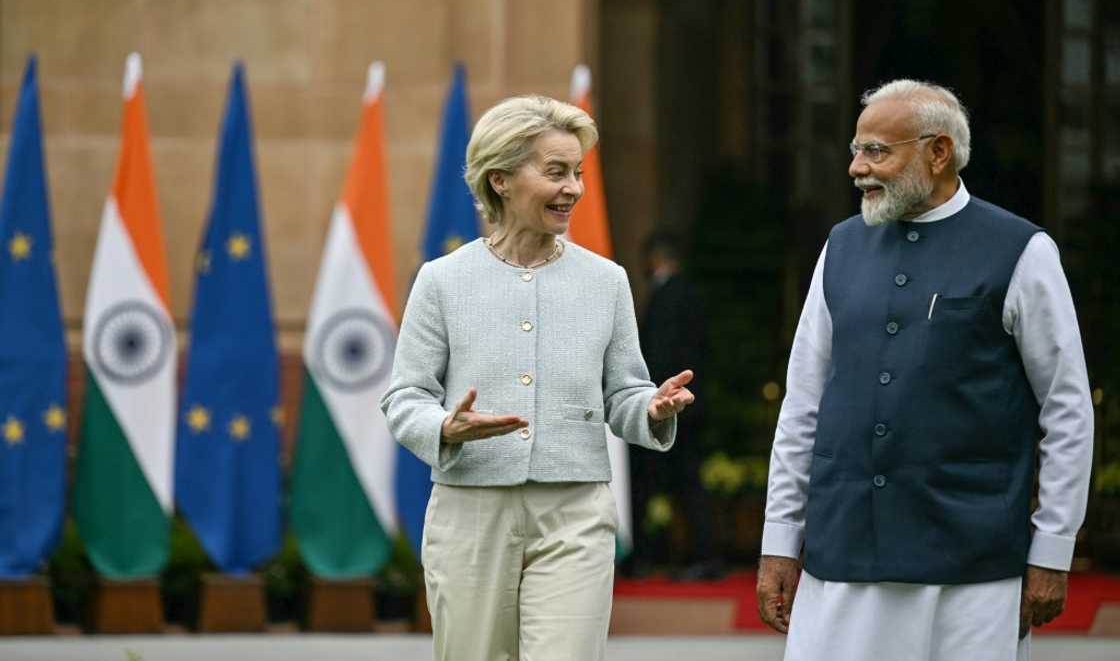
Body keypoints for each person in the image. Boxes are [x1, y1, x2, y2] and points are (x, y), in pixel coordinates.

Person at [756, 79, 1094, 661]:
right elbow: (803, 404)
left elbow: (1067, 409)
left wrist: (1052, 549)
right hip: (842, 556)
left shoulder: (1021, 249)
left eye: (877, 151)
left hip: (971, 564)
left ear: (938, 152)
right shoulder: (839, 247)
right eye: (855, 150)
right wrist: (781, 541)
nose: (858, 168)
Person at [381, 95, 695, 661]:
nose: (573, 188)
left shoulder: (607, 281)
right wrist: (445, 427)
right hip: (469, 511)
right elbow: (405, 397)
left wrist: (650, 408)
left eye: (576, 172)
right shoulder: (441, 281)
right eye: (555, 172)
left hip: (575, 511)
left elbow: (623, 390)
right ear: (499, 180)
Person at [628, 230, 722, 579]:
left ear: (655, 260)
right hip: (687, 405)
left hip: (672, 405)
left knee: (679, 481)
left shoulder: (669, 296)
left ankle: (691, 555)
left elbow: (661, 353)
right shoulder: (689, 292)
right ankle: (690, 554)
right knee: (685, 482)